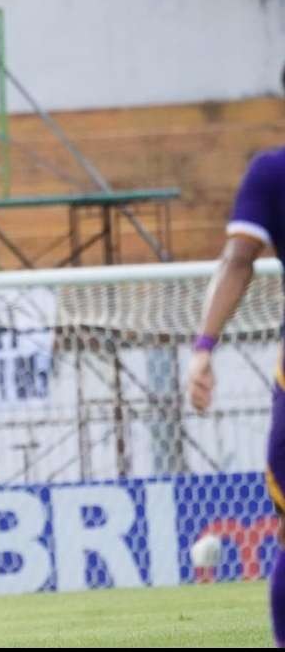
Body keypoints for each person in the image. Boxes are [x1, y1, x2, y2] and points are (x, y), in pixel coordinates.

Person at [187, 63, 285, 646]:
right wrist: (202, 347)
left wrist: (204, 349)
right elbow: (238, 259)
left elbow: (237, 259)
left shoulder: (271, 171)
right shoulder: (273, 172)